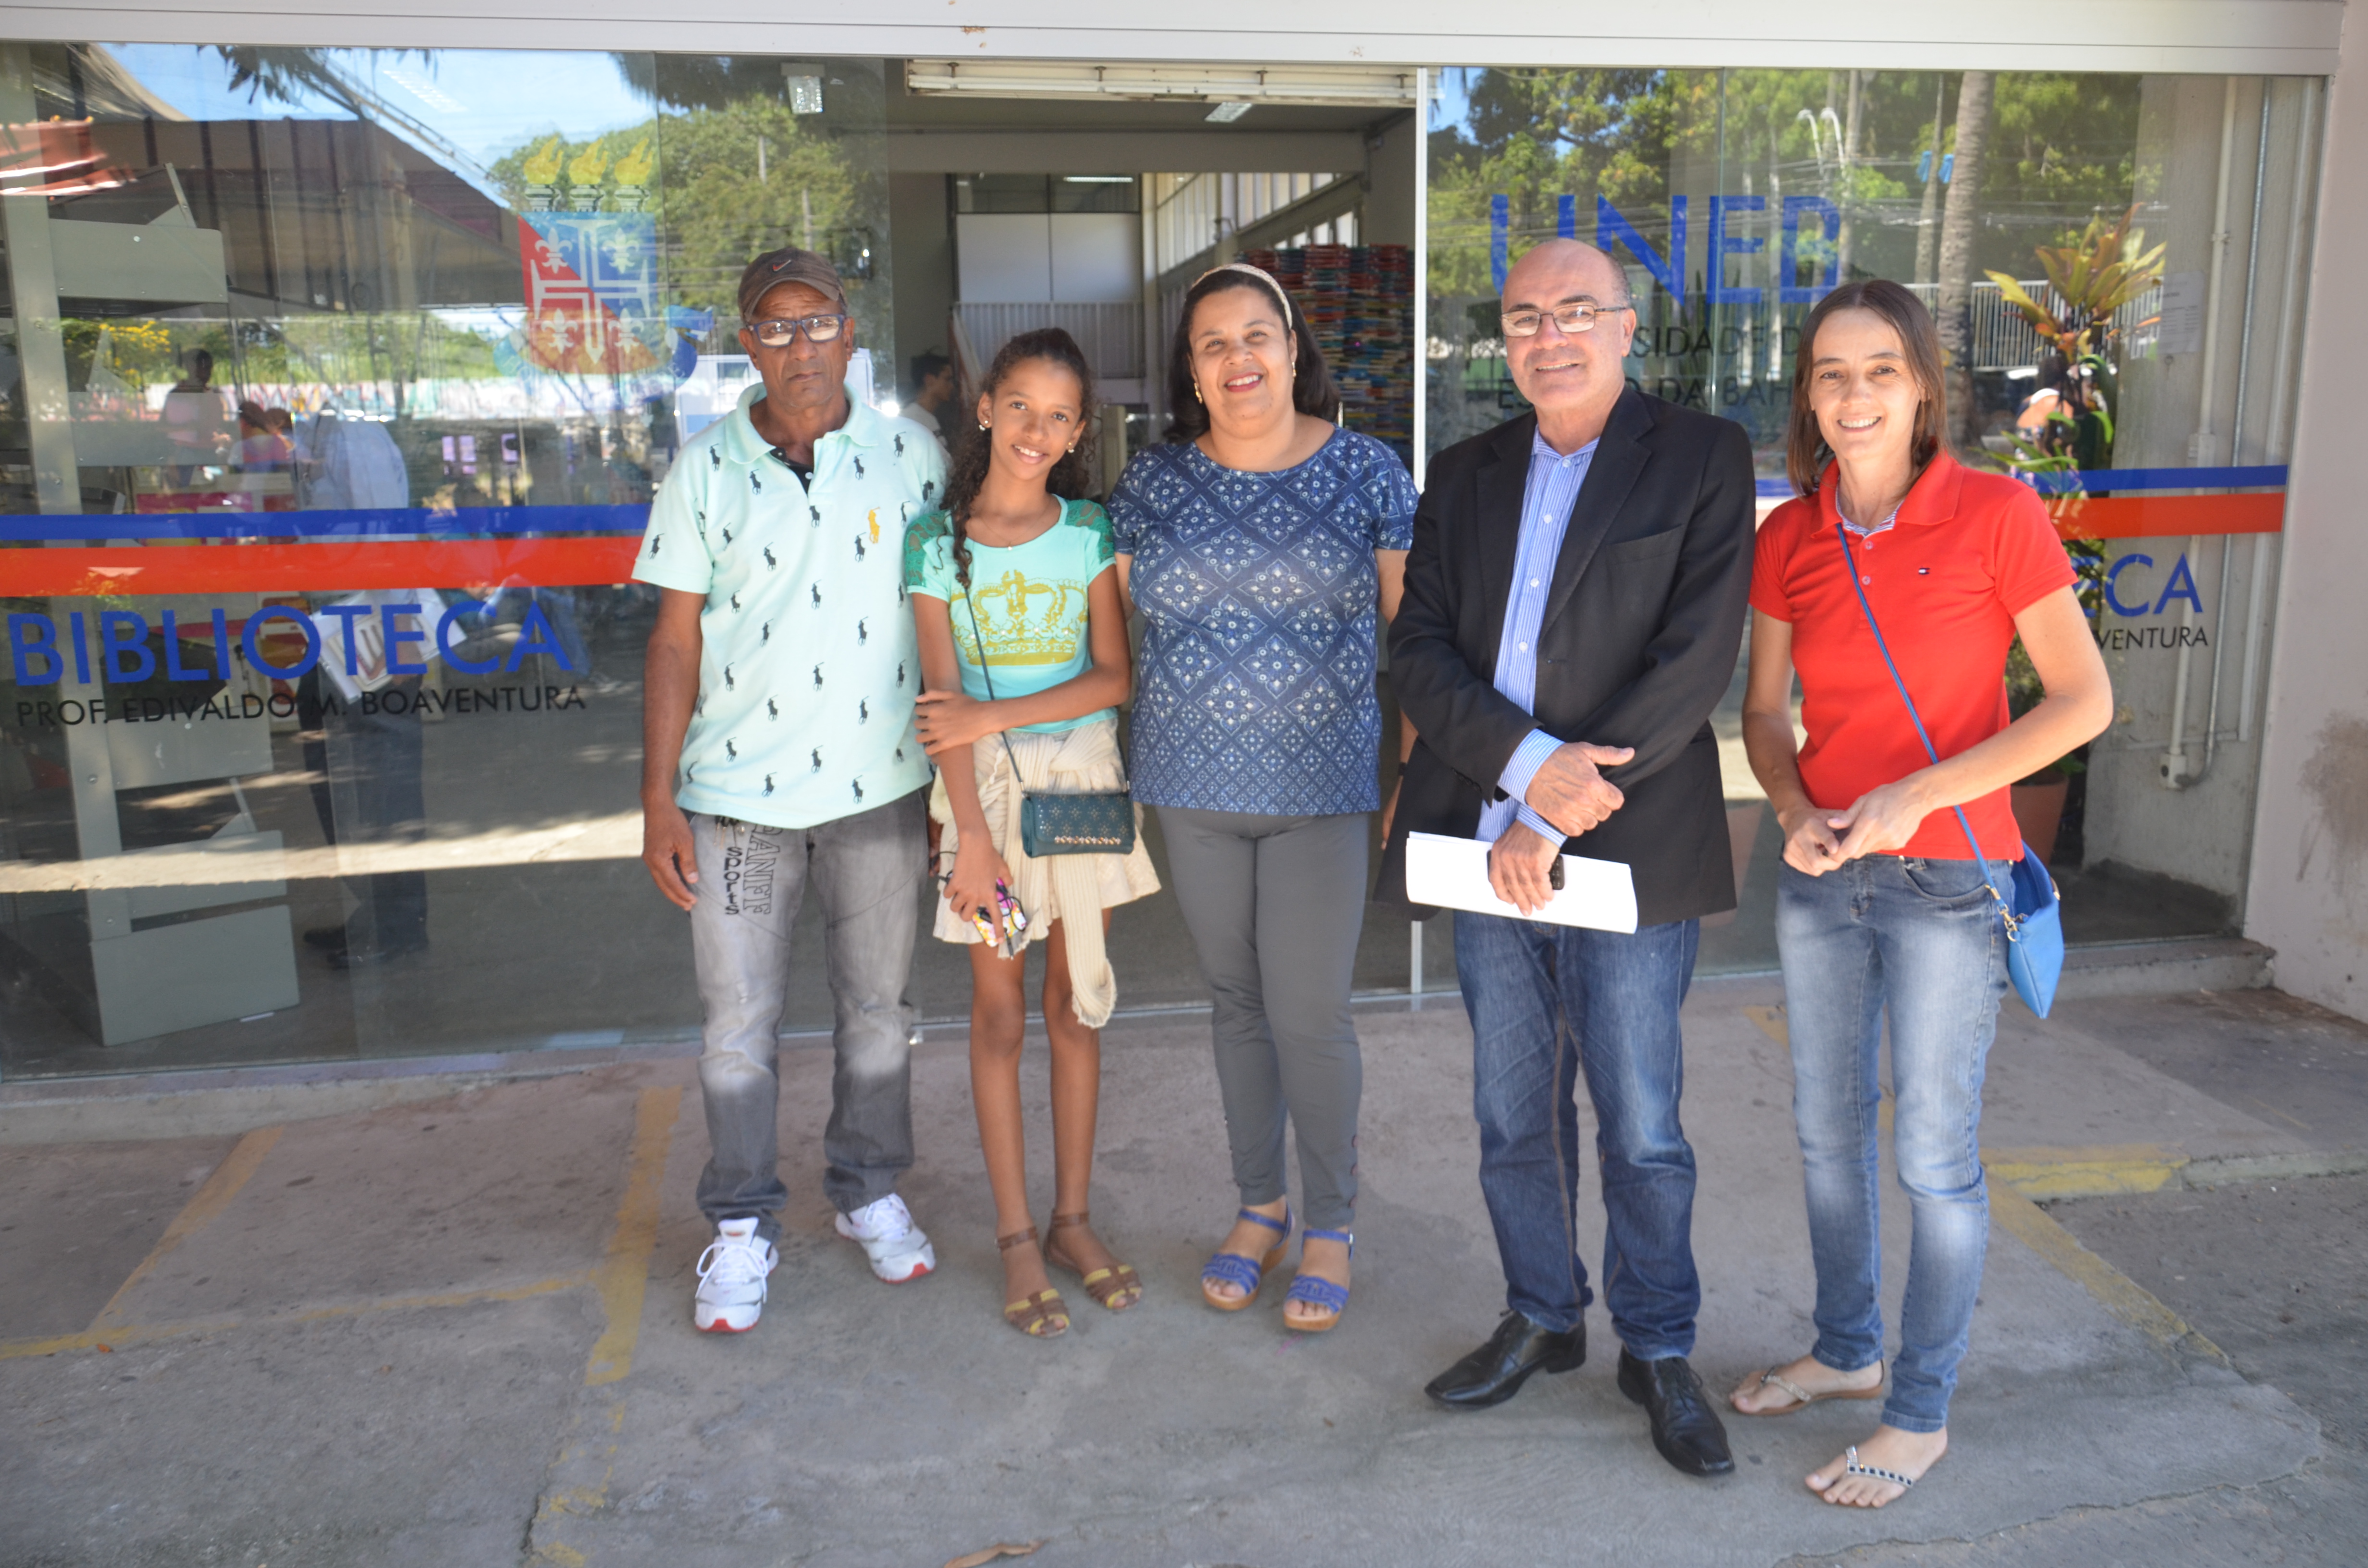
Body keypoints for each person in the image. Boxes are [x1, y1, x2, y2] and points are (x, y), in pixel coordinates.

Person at [1730, 280, 2111, 1505]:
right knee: (1826, 1137)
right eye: (1832, 374)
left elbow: (2083, 701)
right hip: (1823, 876)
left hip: (1953, 879)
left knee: (1935, 1157)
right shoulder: (1789, 537)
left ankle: (1920, 1411)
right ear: (1807, 396)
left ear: (1924, 390)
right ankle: (1847, 1351)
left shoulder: (1997, 513)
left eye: (1881, 371)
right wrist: (1792, 808)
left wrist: (1918, 794)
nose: (1856, 396)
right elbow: (1764, 714)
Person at [1383, 238, 1754, 1477]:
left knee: (1641, 1123)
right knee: (1511, 1112)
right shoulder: (1466, 473)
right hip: (1488, 838)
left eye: (1576, 311)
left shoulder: (1701, 456)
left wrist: (1556, 805)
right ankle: (1543, 1315)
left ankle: (1658, 1345)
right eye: (1526, 317)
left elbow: (1695, 662)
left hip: (1624, 849)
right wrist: (1524, 768)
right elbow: (1419, 651)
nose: (1551, 336)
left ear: (1626, 326)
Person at [635, 247, 949, 1334]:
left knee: (880, 1012)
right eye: (775, 327)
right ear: (748, 345)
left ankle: (867, 1187)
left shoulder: (912, 456)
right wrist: (659, 799)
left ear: (850, 334)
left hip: (880, 787)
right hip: (737, 800)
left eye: (817, 323)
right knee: (737, 1023)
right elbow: (673, 641)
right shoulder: (705, 470)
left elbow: (948, 614)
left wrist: (961, 791)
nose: (800, 346)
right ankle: (740, 1220)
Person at [1108, 263, 1416, 1334]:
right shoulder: (1150, 484)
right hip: (1188, 784)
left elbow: (1415, 638)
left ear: (1291, 350)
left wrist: (1415, 774)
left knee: (1308, 1012)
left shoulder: (1366, 469)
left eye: (1256, 335)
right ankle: (1259, 1208)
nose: (1237, 358)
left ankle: (1331, 1220)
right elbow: (1106, 627)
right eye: (1213, 344)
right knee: (1234, 1004)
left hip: (1320, 788)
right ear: (1192, 373)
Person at [906, 327, 1161, 1339]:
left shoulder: (1088, 529)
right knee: (1000, 1014)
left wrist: (993, 712)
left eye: (1058, 416)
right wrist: (968, 838)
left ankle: (1072, 1221)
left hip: (1084, 791)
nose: (1035, 429)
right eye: (1019, 406)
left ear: (1076, 430)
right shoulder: (935, 542)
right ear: (985, 409)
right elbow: (942, 708)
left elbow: (1114, 677)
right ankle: (1016, 1234)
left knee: (1074, 1004)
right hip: (988, 813)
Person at [906, 350, 957, 450]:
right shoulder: (910, 419)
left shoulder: (933, 417)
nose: (951, 386)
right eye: (947, 380)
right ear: (929, 380)